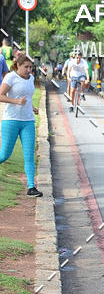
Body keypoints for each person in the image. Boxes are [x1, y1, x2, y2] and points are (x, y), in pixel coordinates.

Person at [0, 52, 42, 197]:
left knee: (29, 155)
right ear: (18, 65)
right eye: (26, 67)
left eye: (31, 67)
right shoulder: (10, 77)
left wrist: (32, 107)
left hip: (28, 121)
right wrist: (16, 102)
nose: (29, 70)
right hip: (11, 120)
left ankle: (31, 188)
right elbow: (1, 96)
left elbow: (27, 97)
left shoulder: (31, 78)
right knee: (4, 155)